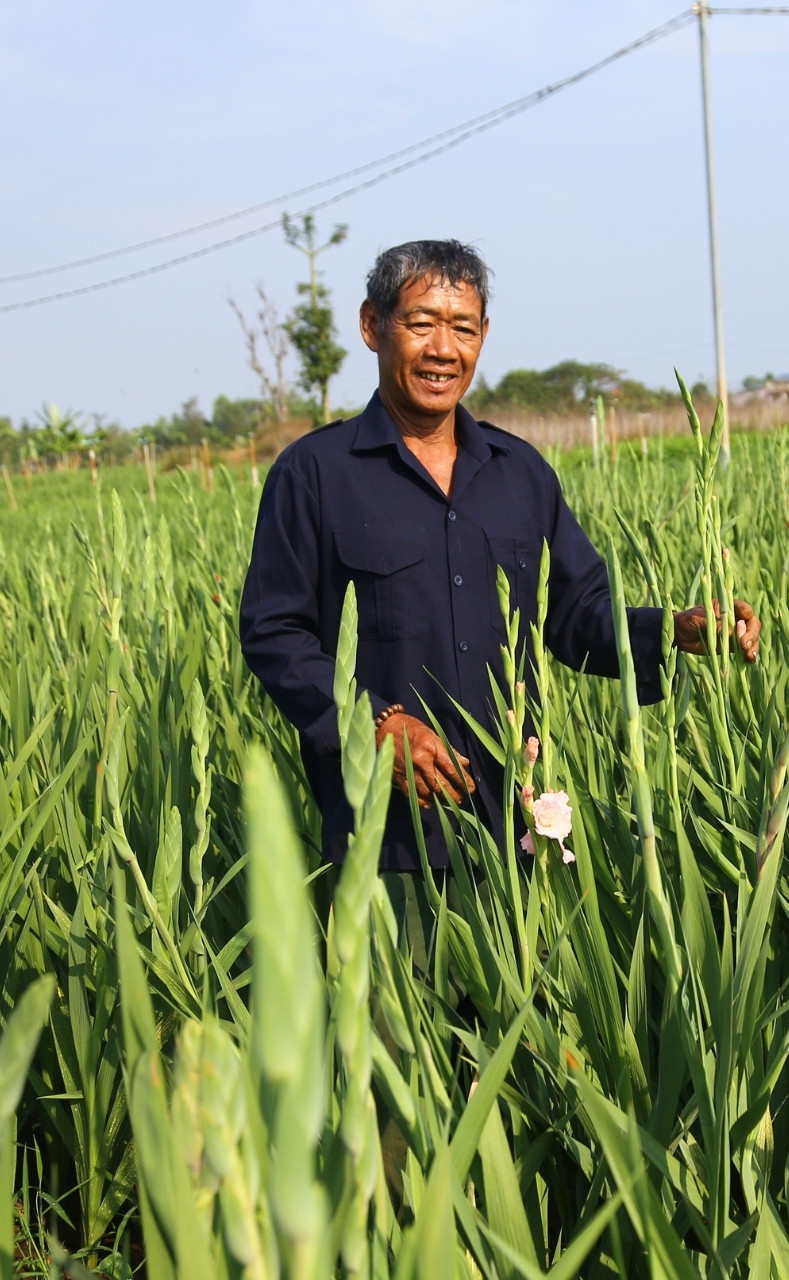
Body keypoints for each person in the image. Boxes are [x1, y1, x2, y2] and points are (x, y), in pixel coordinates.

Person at [239, 239, 760, 884]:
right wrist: (371, 724)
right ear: (373, 327)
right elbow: (273, 633)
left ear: (483, 336)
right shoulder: (314, 474)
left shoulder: (522, 475)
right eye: (420, 323)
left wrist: (674, 631)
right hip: (385, 844)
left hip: (520, 823)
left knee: (533, 987)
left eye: (462, 328)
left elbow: (574, 616)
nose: (442, 349)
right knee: (396, 988)